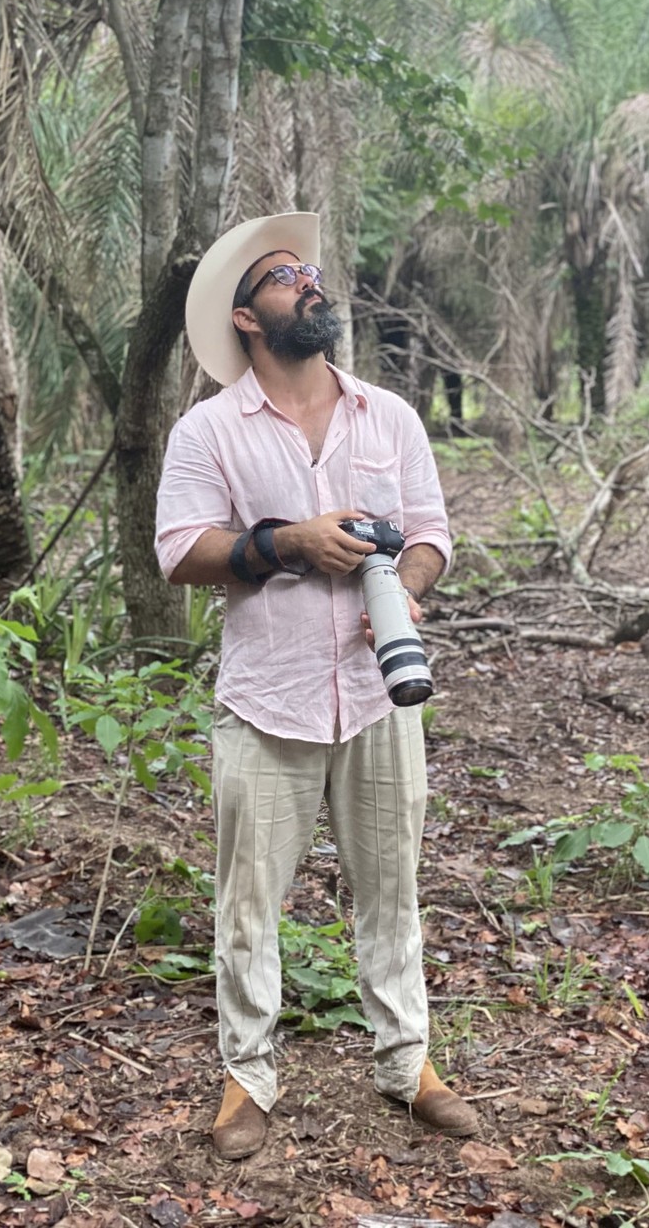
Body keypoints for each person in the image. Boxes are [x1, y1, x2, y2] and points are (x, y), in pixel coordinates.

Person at [154, 212, 478, 1160]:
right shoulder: (208, 430)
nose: (311, 282)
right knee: (249, 898)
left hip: (380, 693)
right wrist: (287, 541)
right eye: (286, 275)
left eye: (313, 270)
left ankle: (407, 1062)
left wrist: (403, 593)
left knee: (392, 887)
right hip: (268, 696)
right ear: (247, 316)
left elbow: (431, 535)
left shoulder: (391, 415)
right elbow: (181, 552)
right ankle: (246, 1078)